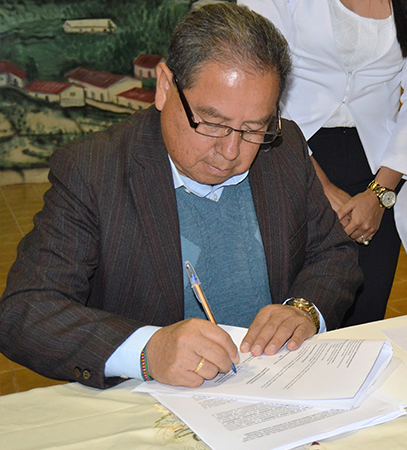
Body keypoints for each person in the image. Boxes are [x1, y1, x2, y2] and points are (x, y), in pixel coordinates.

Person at [0, 3, 361, 389]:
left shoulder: (283, 147)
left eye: (253, 128)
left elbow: (334, 254)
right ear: (164, 87)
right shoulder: (94, 169)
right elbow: (26, 310)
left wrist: (304, 309)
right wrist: (147, 350)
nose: (231, 151)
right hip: (150, 401)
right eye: (213, 123)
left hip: (271, 387)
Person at [240, 0, 407, 326]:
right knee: (285, 316)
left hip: (377, 172)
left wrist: (380, 194)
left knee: (364, 319)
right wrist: (319, 184)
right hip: (285, 153)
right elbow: (260, 74)